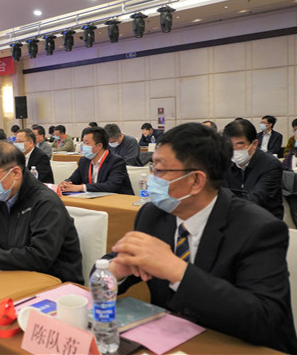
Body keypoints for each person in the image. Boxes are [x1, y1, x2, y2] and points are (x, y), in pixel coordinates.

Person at [107, 123, 297, 354]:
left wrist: (177, 270)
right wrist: (113, 273)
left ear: (196, 181)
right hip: (170, 341)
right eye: (152, 168)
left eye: (160, 170)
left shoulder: (258, 229)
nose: (152, 179)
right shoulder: (153, 214)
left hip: (235, 345)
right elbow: (107, 267)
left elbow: (264, 320)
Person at [0, 141, 84, 284]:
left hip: (55, 282)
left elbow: (40, 257)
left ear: (16, 173)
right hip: (18, 274)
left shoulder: (46, 203)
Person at [222, 119, 283, 219]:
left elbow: (256, 198)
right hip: (233, 218)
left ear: (254, 144)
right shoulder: (224, 163)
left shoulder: (271, 165)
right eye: (229, 146)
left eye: (239, 146)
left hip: (264, 220)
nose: (233, 151)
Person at [60, 127, 134, 194]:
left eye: (87, 143)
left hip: (118, 200)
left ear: (99, 146)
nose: (84, 146)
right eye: (83, 143)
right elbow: (74, 179)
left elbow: (111, 186)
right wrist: (66, 183)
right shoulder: (84, 160)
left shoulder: (116, 161)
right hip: (93, 198)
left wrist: (82, 187)